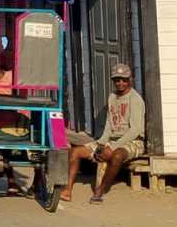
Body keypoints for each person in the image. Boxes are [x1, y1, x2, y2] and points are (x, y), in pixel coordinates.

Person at [60, 63, 145, 204]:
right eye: (117, 80)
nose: (120, 83)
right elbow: (109, 125)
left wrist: (113, 147)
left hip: (133, 141)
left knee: (117, 156)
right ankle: (67, 190)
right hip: (112, 139)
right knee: (76, 152)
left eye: (124, 79)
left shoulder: (135, 99)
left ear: (130, 79)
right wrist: (101, 143)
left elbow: (135, 130)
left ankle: (100, 191)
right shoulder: (112, 97)